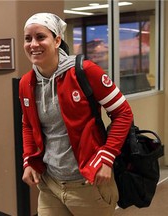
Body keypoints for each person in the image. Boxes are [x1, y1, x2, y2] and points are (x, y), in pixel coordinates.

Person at [19, 12, 133, 216]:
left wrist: (106, 158)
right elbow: (28, 124)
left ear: (56, 40)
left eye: (40, 37)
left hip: (89, 182)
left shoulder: (85, 71)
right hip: (50, 184)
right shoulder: (26, 83)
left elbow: (123, 113)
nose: (33, 44)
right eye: (28, 39)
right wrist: (29, 159)